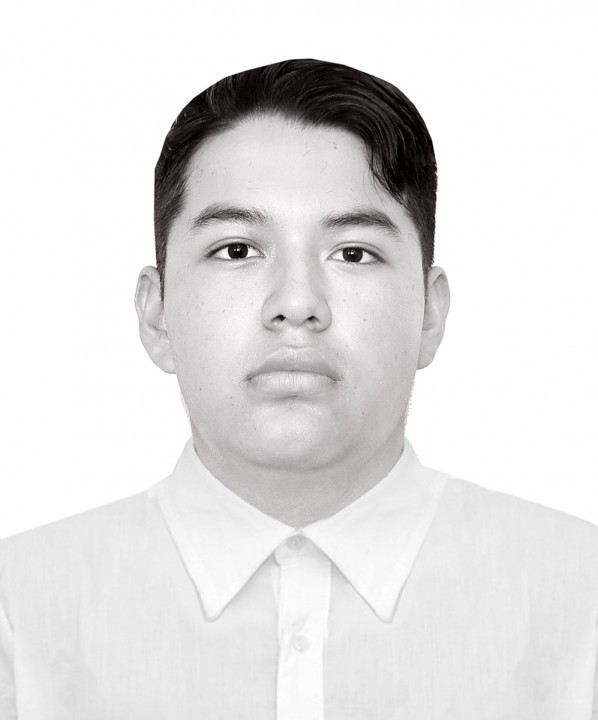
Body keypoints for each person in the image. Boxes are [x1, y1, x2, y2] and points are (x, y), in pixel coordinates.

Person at [0, 58, 597, 719]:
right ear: (157, 312)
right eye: (237, 250)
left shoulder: (582, 606)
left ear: (429, 314)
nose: (296, 303)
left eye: (353, 253)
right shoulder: (17, 614)